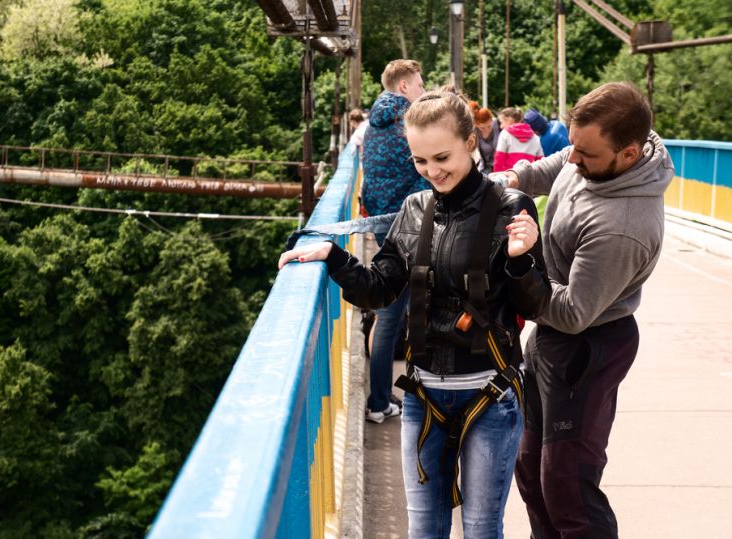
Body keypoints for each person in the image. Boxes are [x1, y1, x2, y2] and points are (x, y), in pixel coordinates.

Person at [279, 88, 551, 538]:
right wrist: (334, 257)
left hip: (490, 394)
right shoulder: (413, 210)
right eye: (420, 162)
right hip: (423, 397)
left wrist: (521, 260)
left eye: (441, 157)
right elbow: (379, 290)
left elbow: (535, 305)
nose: (432, 172)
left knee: (482, 529)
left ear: (470, 142)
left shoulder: (510, 209)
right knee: (423, 530)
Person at [498, 81, 675, 538]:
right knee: (531, 470)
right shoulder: (602, 154)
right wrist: (515, 178)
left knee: (568, 486)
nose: (574, 160)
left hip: (587, 345)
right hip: (553, 338)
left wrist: (523, 265)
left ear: (630, 155)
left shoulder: (622, 228)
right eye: (574, 145)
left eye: (587, 155)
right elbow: (561, 164)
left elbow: (574, 312)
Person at [359, 59, 430, 424]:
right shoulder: (411, 124)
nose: (422, 90)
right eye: (419, 85)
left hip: (383, 228)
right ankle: (402, 400)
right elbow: (427, 174)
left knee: (389, 316)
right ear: (404, 87)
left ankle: (380, 401)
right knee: (411, 315)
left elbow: (370, 181)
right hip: (412, 229)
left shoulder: (371, 125)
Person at [493, 107, 544, 172]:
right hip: (528, 177)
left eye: (501, 122)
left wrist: (496, 176)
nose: (501, 126)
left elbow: (499, 158)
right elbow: (541, 162)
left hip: (508, 177)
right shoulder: (535, 138)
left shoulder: (505, 134)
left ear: (509, 120)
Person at [469, 101, 499, 175]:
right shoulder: (474, 132)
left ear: (492, 120)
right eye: (482, 128)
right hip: (484, 168)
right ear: (476, 125)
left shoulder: (497, 125)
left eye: (489, 126)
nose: (487, 129)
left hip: (499, 166)